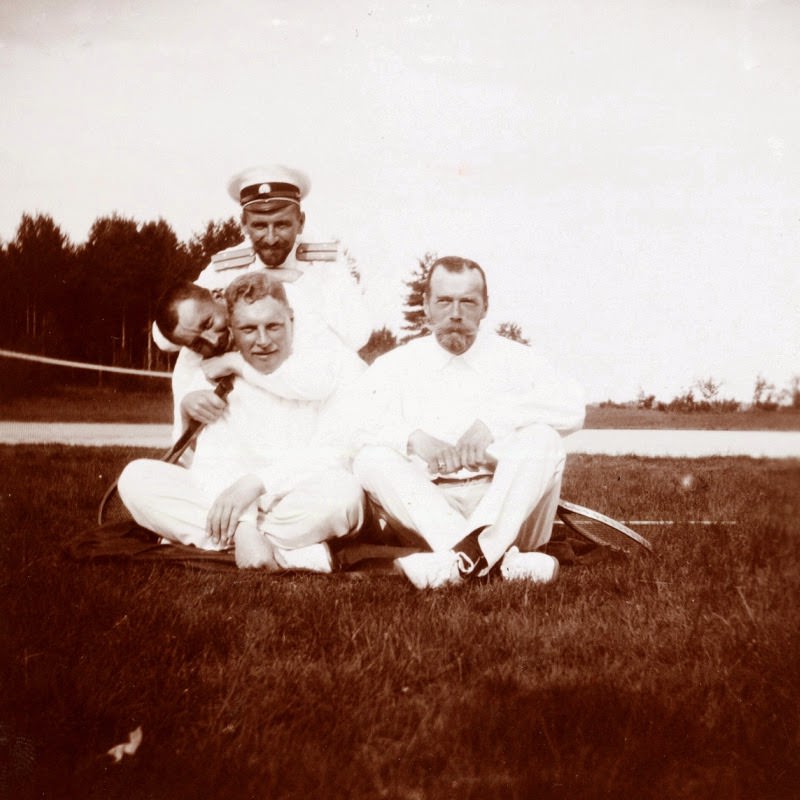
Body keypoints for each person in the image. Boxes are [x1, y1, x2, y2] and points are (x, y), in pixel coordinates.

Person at [350, 256, 585, 589]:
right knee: (370, 459)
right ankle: (500, 561)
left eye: (468, 302)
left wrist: (493, 424)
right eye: (444, 301)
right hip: (431, 506)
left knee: (543, 438)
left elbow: (573, 407)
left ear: (485, 307)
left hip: (508, 505)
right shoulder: (397, 365)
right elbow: (352, 425)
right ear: (426, 306)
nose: (455, 314)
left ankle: (462, 561)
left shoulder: (517, 359)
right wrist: (414, 439)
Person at [119, 272, 364, 571]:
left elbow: (334, 453)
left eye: (273, 326)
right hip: (237, 503)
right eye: (247, 329)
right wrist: (245, 522)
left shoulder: (318, 355)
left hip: (295, 494)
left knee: (344, 494)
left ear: (291, 319)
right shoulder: (209, 370)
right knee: (135, 478)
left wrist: (257, 485)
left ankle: (233, 548)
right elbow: (206, 462)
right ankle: (283, 553)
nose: (262, 340)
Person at [155, 164, 372, 437]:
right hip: (242, 386)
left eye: (281, 224)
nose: (270, 238)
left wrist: (298, 281)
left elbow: (358, 335)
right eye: (259, 226)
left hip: (305, 373)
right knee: (193, 345)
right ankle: (186, 442)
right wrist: (233, 294)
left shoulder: (325, 261)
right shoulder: (227, 265)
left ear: (301, 222)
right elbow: (164, 334)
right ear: (244, 224)